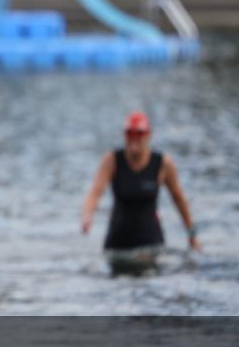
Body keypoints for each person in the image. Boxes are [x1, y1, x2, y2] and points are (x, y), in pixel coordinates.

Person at [81, 112, 200, 271]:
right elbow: (95, 192)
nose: (134, 138)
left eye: (139, 133)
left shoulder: (163, 163)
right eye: (130, 133)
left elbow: (179, 199)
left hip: (151, 246)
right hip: (118, 247)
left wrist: (191, 233)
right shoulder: (112, 160)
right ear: (125, 135)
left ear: (148, 135)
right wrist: (87, 216)